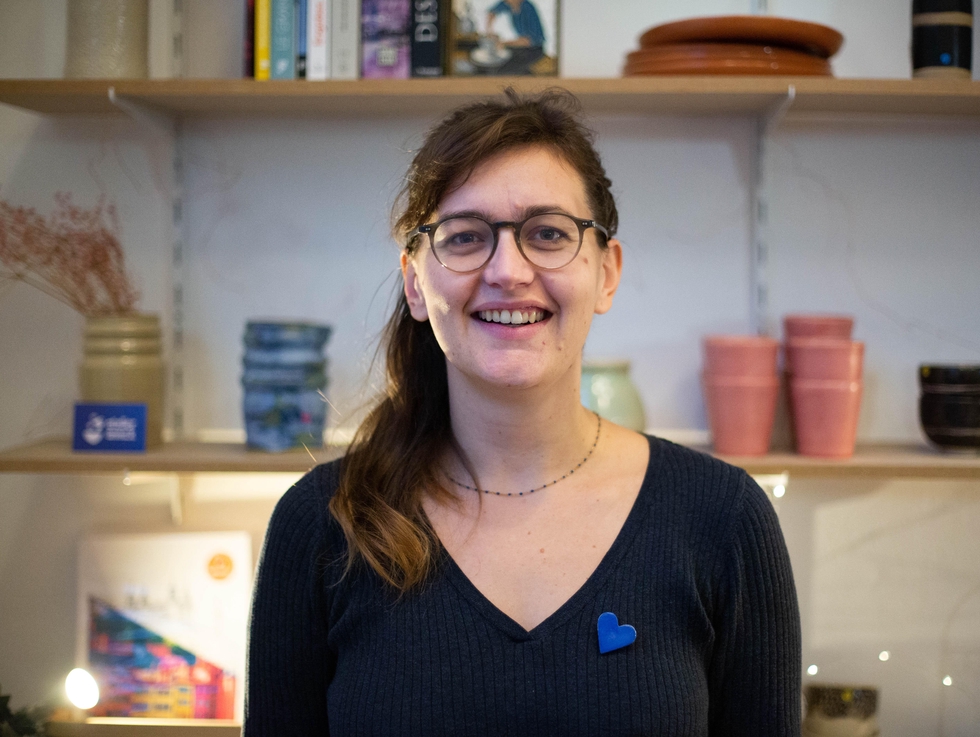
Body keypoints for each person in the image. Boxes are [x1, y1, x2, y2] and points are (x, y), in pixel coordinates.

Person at [245, 89, 801, 736]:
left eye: (547, 233)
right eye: (465, 237)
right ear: (415, 283)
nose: (508, 270)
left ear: (607, 272)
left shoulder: (724, 521)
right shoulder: (320, 526)